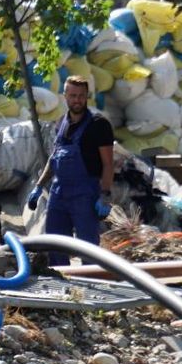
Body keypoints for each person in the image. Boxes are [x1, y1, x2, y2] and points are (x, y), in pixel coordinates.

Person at [27, 76, 114, 266]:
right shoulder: (61, 123)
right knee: (55, 244)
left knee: (87, 249)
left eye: (81, 96)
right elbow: (54, 157)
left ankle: (92, 288)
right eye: (73, 95)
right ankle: (63, 290)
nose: (77, 100)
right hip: (59, 194)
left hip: (85, 194)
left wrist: (105, 195)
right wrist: (39, 186)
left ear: (87, 97)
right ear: (65, 96)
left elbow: (108, 163)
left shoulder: (99, 125)